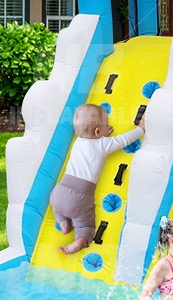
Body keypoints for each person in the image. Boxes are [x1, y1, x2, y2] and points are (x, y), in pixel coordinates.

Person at [50, 103, 144, 255]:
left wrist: (102, 133)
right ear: (98, 131)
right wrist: (141, 129)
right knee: (86, 226)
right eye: (107, 125)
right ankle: (80, 241)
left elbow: (92, 141)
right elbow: (124, 140)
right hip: (79, 199)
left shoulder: (78, 142)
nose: (110, 127)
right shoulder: (103, 144)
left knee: (55, 203)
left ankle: (63, 222)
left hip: (59, 192)